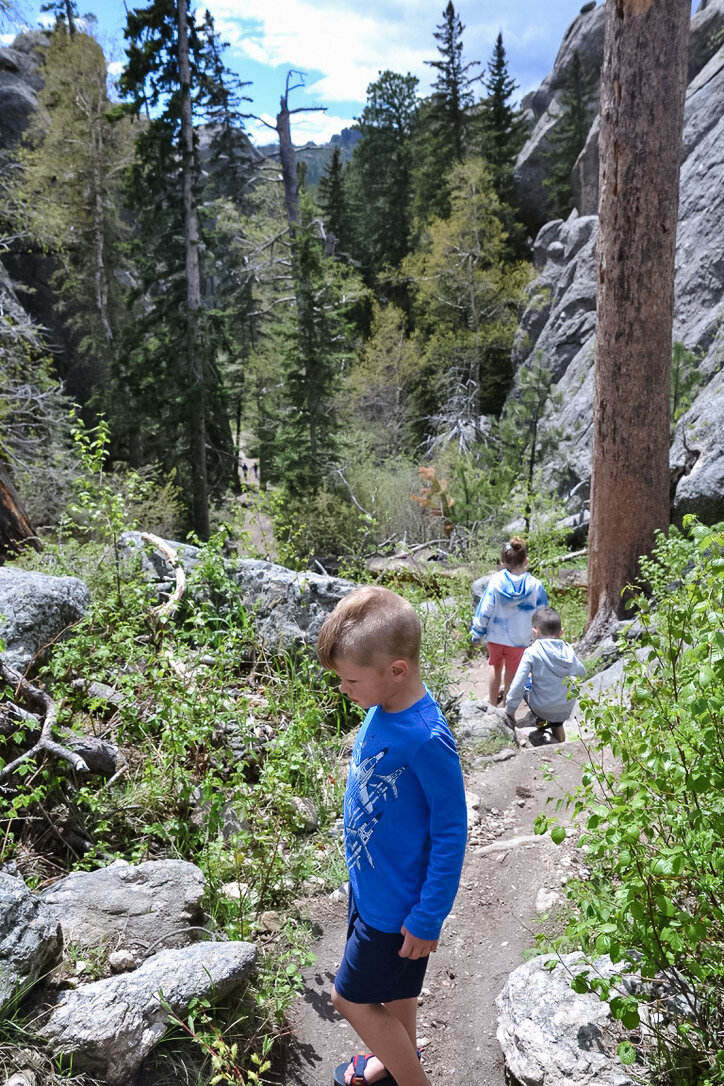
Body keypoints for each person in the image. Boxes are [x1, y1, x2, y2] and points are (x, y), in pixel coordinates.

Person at [317, 586, 467, 1086]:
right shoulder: (382, 709)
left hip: (397, 910)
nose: (344, 688)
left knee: (350, 998)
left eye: (350, 679)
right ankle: (398, 1059)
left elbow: (451, 833)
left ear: (396, 670)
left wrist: (427, 918)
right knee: (399, 992)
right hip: (372, 891)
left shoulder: (427, 740)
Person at [470, 537, 548, 706]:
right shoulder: (535, 585)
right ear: (526, 560)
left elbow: (485, 610)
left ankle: (491, 705)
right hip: (520, 640)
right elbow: (542, 613)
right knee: (512, 673)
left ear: (503, 562)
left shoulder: (496, 581)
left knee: (494, 667)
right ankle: (506, 708)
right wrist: (541, 639)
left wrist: (477, 633)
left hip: (495, 637)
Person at [504, 605, 586, 742]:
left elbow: (518, 683)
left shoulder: (532, 652)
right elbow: (582, 672)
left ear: (535, 632)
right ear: (561, 632)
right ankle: (559, 737)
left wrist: (510, 710)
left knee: (527, 683)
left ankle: (541, 722)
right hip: (564, 708)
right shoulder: (568, 650)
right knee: (557, 719)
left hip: (541, 707)